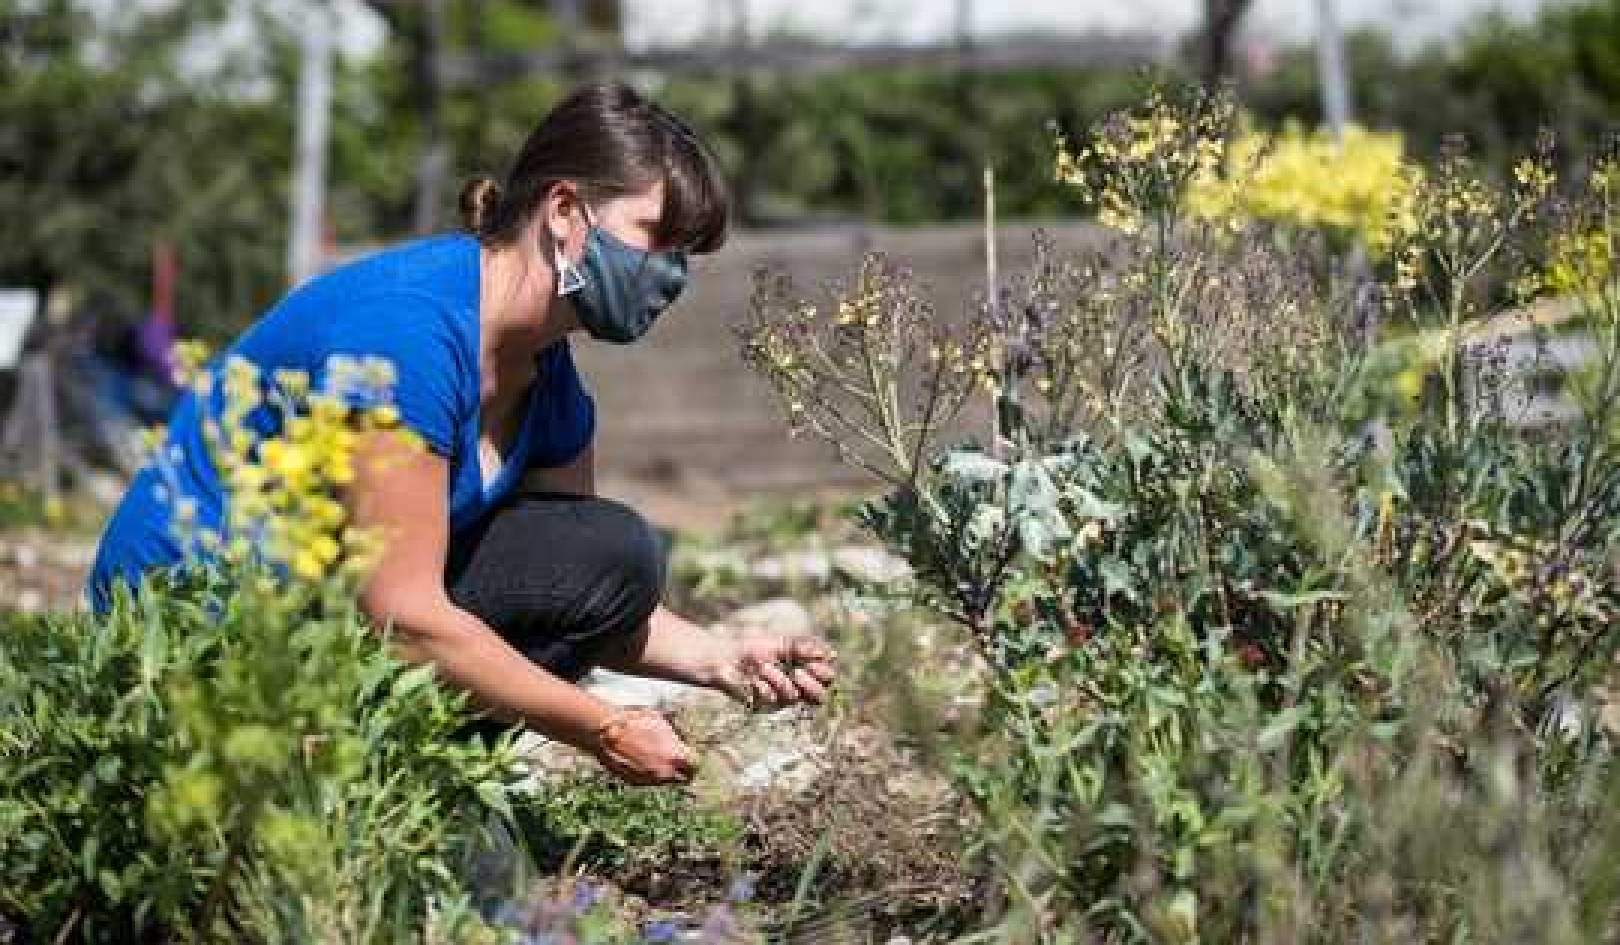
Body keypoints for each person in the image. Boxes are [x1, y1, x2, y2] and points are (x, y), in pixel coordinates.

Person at [85, 82, 837, 787]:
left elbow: (581, 593)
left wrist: (722, 657)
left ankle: (398, 784)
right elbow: (402, 612)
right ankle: (349, 789)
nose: (671, 277)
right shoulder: (406, 333)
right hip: (191, 643)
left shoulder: (550, 380)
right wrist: (603, 728)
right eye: (656, 238)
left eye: (687, 256)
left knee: (614, 553)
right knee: (614, 551)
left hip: (323, 629)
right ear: (565, 211)